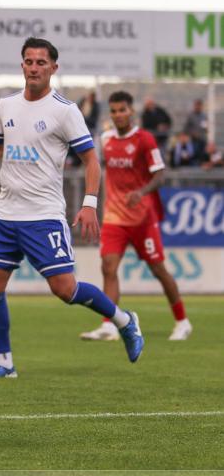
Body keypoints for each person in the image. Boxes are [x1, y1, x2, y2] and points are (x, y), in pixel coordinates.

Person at [0, 37, 144, 378]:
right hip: (6, 213)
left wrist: (89, 204)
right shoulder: (6, 106)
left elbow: (91, 161)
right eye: (28, 61)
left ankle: (124, 320)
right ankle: (4, 364)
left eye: (40, 63)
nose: (33, 68)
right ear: (22, 66)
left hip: (43, 216)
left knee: (65, 289)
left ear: (53, 68)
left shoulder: (64, 111)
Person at [80, 91, 191, 343]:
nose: (119, 115)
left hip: (142, 218)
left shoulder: (145, 139)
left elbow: (159, 173)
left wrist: (141, 192)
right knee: (108, 267)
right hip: (114, 217)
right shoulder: (105, 139)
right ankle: (109, 324)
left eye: (123, 110)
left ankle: (182, 321)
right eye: (114, 111)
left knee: (158, 270)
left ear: (131, 111)